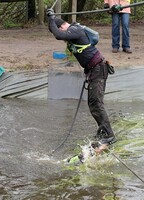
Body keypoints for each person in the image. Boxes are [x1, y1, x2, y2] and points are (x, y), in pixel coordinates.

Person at [46, 9, 117, 151]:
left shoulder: (75, 29)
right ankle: (103, 131)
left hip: (99, 68)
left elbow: (59, 35)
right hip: (93, 70)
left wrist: (51, 19)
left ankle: (109, 136)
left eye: (58, 30)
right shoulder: (72, 35)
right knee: (93, 103)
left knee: (96, 103)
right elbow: (61, 36)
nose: (63, 38)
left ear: (62, 26)